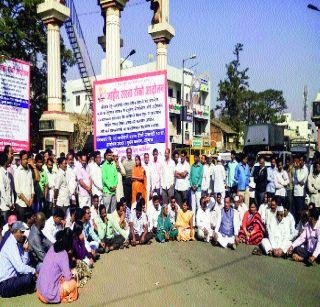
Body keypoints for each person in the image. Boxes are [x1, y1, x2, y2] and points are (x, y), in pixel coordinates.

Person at [36, 228, 78, 303]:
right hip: (49, 296)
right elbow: (68, 277)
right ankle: (67, 297)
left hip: (39, 291)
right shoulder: (63, 253)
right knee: (73, 283)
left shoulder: (52, 247)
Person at [0, 221, 36, 298]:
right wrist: (35, 271)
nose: (23, 235)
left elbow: (23, 263)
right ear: (15, 231)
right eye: (22, 232)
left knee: (30, 272)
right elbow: (20, 268)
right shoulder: (11, 244)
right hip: (5, 284)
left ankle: (29, 288)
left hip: (12, 280)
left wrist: (26, 251)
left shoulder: (16, 243)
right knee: (29, 278)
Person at [14, 150, 35, 221]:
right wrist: (26, 201)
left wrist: (32, 198)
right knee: (22, 225)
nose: (26, 161)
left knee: (29, 225)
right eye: (24, 159)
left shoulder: (29, 170)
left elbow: (32, 185)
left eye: (27, 159)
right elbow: (18, 190)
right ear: (20, 160)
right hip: (21, 204)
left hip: (30, 203)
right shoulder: (17, 171)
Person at [292, 155, 308, 222]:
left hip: (300, 194)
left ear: (304, 161)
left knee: (300, 211)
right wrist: (298, 182)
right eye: (299, 160)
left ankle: (300, 224)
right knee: (295, 211)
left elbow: (299, 179)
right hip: (295, 192)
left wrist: (298, 169)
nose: (299, 162)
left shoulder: (305, 169)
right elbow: (293, 180)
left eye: (301, 160)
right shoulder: (297, 169)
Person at [101, 149, 118, 214]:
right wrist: (110, 187)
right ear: (106, 156)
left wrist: (115, 185)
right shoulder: (104, 166)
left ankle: (112, 224)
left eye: (111, 155)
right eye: (109, 155)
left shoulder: (113, 165)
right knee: (106, 210)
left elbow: (116, 176)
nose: (110, 156)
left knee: (113, 211)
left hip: (113, 192)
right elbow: (104, 179)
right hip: (107, 191)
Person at [189, 154, 203, 225]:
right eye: (194, 157)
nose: (195, 158)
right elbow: (190, 177)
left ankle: (199, 222)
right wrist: (192, 185)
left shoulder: (201, 166)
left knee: (198, 205)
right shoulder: (192, 166)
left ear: (198, 157)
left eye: (196, 157)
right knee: (193, 206)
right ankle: (193, 223)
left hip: (198, 189)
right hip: (192, 189)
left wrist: (196, 186)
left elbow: (201, 177)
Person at [0, 152, 13, 222]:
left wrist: (12, 203)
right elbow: (3, 192)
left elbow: (10, 189)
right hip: (4, 207)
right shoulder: (1, 173)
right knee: (4, 229)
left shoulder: (7, 172)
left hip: (9, 206)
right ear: (5, 161)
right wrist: (9, 204)